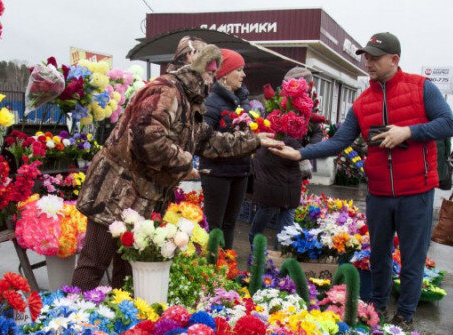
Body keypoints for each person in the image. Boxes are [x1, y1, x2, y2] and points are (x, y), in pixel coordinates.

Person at [268, 32, 453, 328]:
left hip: (416, 190)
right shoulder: (363, 102)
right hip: (380, 192)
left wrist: (408, 132)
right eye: (366, 56)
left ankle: (405, 315)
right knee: (378, 256)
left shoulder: (422, 88)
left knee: (412, 258)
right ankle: (378, 310)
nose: (368, 62)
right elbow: (340, 140)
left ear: (394, 59)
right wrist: (300, 153)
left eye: (374, 57)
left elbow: (447, 123)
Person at [72, 40, 281, 290]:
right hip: (114, 192)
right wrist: (183, 163)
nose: (213, 77)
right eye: (211, 70)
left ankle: (117, 324)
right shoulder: (167, 90)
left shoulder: (189, 101)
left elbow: (209, 140)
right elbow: (146, 137)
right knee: (94, 264)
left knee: (128, 270)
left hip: (140, 198)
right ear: (193, 65)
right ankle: (72, 319)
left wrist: (253, 141)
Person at [201, 49, 280, 249]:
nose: (244, 75)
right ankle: (211, 269)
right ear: (225, 74)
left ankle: (226, 266)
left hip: (241, 171)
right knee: (216, 226)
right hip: (217, 174)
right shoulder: (211, 104)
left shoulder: (243, 101)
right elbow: (204, 142)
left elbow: (249, 133)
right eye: (239, 69)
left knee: (231, 224)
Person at [248, 67, 322, 248]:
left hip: (293, 165)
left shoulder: (307, 106)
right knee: (268, 207)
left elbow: (317, 132)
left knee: (288, 208)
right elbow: (276, 134)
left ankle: (280, 251)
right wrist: (301, 154)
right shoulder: (278, 105)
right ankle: (255, 240)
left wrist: (308, 150)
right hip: (272, 162)